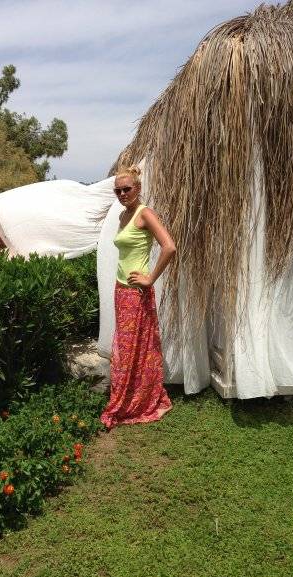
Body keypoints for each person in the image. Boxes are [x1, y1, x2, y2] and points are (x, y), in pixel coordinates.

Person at [100, 165, 176, 428]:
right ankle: (131, 395)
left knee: (135, 347)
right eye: (118, 191)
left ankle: (135, 400)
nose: (122, 194)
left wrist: (150, 278)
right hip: (121, 290)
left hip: (136, 292)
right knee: (128, 346)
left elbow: (169, 246)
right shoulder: (123, 215)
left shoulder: (145, 214)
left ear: (138, 188)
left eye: (127, 189)